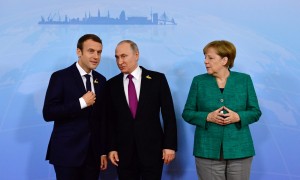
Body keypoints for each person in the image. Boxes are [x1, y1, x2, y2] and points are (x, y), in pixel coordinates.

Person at [182, 40, 262, 180]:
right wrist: (207, 117)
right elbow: (187, 113)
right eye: (205, 57)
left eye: (210, 58)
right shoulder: (199, 81)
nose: (205, 61)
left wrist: (238, 116)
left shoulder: (244, 80)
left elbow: (255, 112)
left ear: (225, 60)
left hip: (240, 150)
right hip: (207, 150)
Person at [106, 40, 177, 180]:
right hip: (123, 153)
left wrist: (170, 146)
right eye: (117, 57)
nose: (120, 61)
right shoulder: (111, 85)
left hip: (153, 151)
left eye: (124, 56)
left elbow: (169, 115)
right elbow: (110, 120)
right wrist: (111, 147)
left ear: (136, 55)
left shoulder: (158, 79)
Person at [43, 34, 107, 180]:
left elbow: (102, 120)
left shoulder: (101, 80)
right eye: (91, 51)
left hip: (93, 155)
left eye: (99, 52)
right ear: (79, 52)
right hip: (67, 154)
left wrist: (102, 151)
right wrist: (81, 103)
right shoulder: (60, 77)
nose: (96, 56)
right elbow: (48, 113)